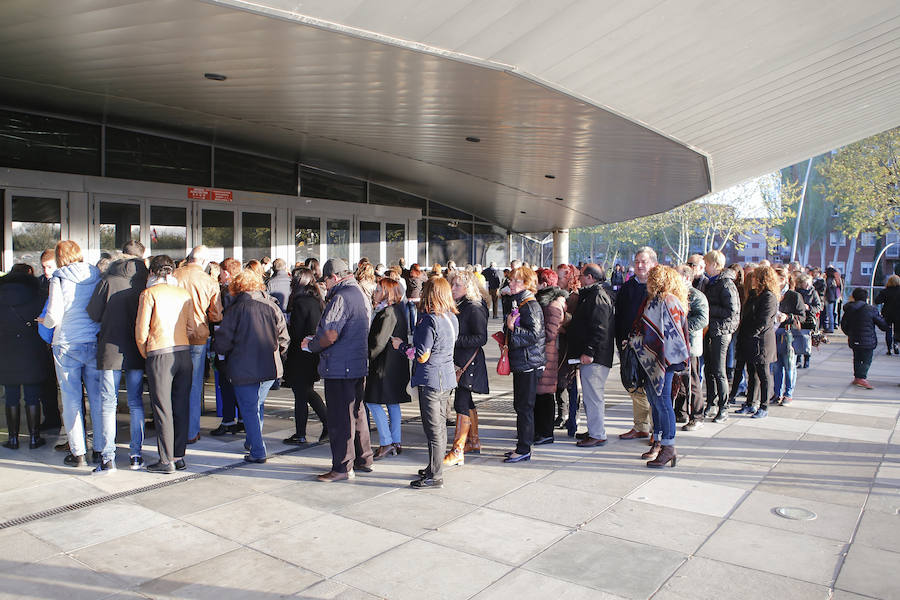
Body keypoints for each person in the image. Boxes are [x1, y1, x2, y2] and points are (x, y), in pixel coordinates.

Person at [303, 258, 373, 482]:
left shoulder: (341, 296)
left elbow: (330, 333)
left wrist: (311, 345)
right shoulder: (361, 292)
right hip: (357, 363)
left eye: (326, 281)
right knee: (357, 413)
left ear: (334, 277)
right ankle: (364, 458)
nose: (325, 285)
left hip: (340, 366)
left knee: (340, 418)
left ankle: (342, 468)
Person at [212, 270, 288, 464]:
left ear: (236, 288)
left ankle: (257, 450)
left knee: (249, 408)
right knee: (255, 405)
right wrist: (277, 354)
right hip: (270, 367)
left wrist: (221, 356)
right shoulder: (272, 306)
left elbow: (223, 341)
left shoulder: (236, 309)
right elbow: (284, 338)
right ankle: (252, 440)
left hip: (243, 366)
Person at [87, 240, 149, 470]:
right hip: (136, 348)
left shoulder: (107, 280)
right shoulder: (145, 281)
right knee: (135, 403)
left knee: (108, 403)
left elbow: (94, 313)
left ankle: (108, 457)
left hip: (110, 348)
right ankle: (136, 455)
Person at [393, 277, 458, 488]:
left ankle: (435, 475)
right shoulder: (451, 317)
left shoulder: (429, 320)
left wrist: (401, 346)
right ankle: (433, 467)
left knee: (433, 430)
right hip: (446, 376)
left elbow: (421, 355)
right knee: (440, 427)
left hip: (431, 379)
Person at [42, 240, 102, 469]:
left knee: (71, 399)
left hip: (66, 343)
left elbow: (54, 314)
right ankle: (99, 448)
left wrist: (44, 323)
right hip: (92, 340)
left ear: (59, 257)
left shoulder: (58, 276)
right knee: (97, 398)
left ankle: (78, 453)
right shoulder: (95, 273)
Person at [135, 255, 194, 474]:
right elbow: (191, 327)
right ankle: (179, 456)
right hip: (183, 352)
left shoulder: (149, 294)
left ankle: (165, 459)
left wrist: (146, 353)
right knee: (181, 405)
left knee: (162, 408)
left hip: (160, 351)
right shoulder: (183, 293)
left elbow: (141, 331)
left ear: (151, 273)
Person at [629, 265, 690, 468]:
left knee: (662, 402)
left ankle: (669, 446)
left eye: (651, 278)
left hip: (665, 360)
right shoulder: (666, 299)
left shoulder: (664, 300)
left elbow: (664, 334)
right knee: (656, 401)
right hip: (661, 359)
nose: (648, 281)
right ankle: (659, 442)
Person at [174, 245, 223, 444]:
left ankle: (174, 429)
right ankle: (191, 431)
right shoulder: (209, 281)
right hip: (198, 336)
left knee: (174, 384)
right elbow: (216, 313)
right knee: (193, 385)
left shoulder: (175, 275)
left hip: (174, 335)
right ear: (203, 262)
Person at [1, 264, 51, 450]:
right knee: (32, 397)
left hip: (5, 353)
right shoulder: (38, 297)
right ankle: (33, 438)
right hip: (32, 351)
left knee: (11, 397)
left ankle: (13, 439)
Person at [443, 270, 489, 466]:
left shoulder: (474, 306)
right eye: (452, 285)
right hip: (462, 360)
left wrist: (454, 340)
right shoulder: (463, 304)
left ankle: (458, 449)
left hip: (469, 361)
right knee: (466, 401)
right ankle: (473, 441)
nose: (452, 289)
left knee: (461, 403)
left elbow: (481, 337)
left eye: (457, 286)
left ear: (467, 287)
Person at [567, 263, 615, 447]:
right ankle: (594, 429)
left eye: (581, 276)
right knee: (590, 395)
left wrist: (589, 352)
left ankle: (597, 433)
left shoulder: (598, 296)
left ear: (590, 278)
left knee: (593, 396)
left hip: (595, 357)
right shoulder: (595, 294)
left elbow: (599, 328)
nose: (578, 279)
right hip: (593, 355)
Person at [502, 266, 545, 463]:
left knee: (524, 407)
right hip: (523, 361)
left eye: (516, 281)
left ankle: (524, 448)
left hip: (529, 362)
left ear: (527, 284)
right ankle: (522, 445)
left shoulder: (530, 305)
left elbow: (534, 335)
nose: (511, 283)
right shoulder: (519, 302)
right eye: (511, 280)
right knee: (521, 406)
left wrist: (512, 329)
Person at [364, 278, 411, 460]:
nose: (374, 292)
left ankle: (386, 442)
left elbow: (378, 342)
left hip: (384, 365)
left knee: (372, 401)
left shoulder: (388, 312)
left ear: (386, 292)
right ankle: (396, 441)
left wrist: (366, 356)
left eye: (378, 290)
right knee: (392, 403)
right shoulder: (398, 309)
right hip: (395, 364)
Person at [282, 268, 328, 445]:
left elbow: (296, 332)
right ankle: (326, 423)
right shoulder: (316, 300)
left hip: (300, 354)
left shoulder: (301, 302)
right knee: (305, 392)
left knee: (301, 394)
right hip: (311, 353)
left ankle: (301, 433)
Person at [615, 247, 656, 440]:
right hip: (629, 346)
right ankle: (641, 426)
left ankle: (658, 431)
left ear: (653, 264)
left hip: (652, 348)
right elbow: (620, 317)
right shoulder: (627, 287)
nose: (639, 265)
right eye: (637, 261)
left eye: (644, 261)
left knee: (653, 389)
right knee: (635, 387)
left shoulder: (658, 287)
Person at [735, 266, 780, 419]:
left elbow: (764, 321)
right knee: (751, 373)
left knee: (763, 374)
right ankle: (750, 403)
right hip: (749, 339)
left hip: (762, 342)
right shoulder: (755, 294)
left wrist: (751, 334)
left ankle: (764, 405)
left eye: (755, 277)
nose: (752, 279)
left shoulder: (769, 297)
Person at [701, 251, 739, 424]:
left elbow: (732, 311)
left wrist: (709, 310)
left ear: (715, 264)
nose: (705, 267)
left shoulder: (725, 284)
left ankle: (724, 407)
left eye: (707, 264)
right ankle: (711, 402)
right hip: (711, 330)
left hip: (721, 332)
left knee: (719, 371)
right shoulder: (713, 283)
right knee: (709, 369)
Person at [210, 258, 245, 436]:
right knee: (238, 383)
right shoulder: (243, 290)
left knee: (225, 382)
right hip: (240, 345)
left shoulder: (226, 292)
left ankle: (228, 420)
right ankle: (242, 420)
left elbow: (220, 319)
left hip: (227, 343)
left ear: (226, 272)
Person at [534, 268, 567, 446]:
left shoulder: (552, 304)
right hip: (542, 353)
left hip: (548, 354)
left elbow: (550, 333)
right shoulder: (544, 302)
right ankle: (539, 431)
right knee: (539, 394)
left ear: (544, 284)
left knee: (545, 395)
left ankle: (546, 433)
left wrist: (531, 334)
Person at [676, 264, 709, 431]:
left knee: (692, 381)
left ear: (687, 277)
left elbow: (703, 319)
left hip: (691, 346)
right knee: (680, 380)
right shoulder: (676, 294)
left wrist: (681, 327)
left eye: (677, 275)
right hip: (677, 345)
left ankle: (697, 416)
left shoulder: (696, 296)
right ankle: (681, 412)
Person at [841, 288, 888, 389]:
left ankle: (857, 377)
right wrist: (886, 325)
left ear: (854, 297)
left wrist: (849, 333)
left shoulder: (849, 309)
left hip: (854, 338)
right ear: (866, 298)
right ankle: (861, 378)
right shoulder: (871, 309)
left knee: (857, 358)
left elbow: (844, 324)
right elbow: (882, 324)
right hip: (868, 340)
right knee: (867, 360)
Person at [771, 266, 806, 406]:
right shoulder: (772, 294)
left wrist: (787, 317)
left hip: (788, 334)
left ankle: (788, 394)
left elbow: (802, 317)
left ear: (784, 280)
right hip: (773, 334)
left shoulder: (794, 295)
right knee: (776, 366)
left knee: (789, 365)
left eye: (776, 279)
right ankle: (777, 393)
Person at [37, 248, 62, 432]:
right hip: (46, 340)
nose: (46, 271)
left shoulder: (63, 282)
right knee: (47, 381)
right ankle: (51, 417)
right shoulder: (40, 284)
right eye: (44, 267)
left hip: (61, 338)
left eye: (49, 266)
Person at [556, 264, 581, 434]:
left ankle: (572, 418)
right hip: (563, 345)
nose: (558, 280)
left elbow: (574, 324)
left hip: (570, 346)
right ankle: (564, 414)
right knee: (561, 381)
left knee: (570, 382)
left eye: (561, 277)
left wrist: (559, 327)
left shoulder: (574, 297)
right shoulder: (561, 295)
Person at [795, 272, 822, 368]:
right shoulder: (796, 292)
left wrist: (809, 307)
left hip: (810, 318)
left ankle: (807, 359)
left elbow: (819, 306)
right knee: (798, 338)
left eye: (808, 283)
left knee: (807, 340)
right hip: (799, 318)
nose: (807, 285)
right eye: (805, 283)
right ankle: (798, 359)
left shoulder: (813, 292)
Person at [874, 274, 900, 355]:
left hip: (887, 313)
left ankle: (889, 349)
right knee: (898, 330)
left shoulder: (885, 291)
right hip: (899, 314)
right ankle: (896, 344)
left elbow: (877, 301)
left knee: (888, 330)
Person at [823, 266, 842, 333]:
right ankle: (832, 326)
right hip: (834, 297)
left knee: (830, 313)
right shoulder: (835, 280)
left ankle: (830, 328)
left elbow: (826, 289)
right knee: (832, 312)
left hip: (829, 298)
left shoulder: (828, 280)